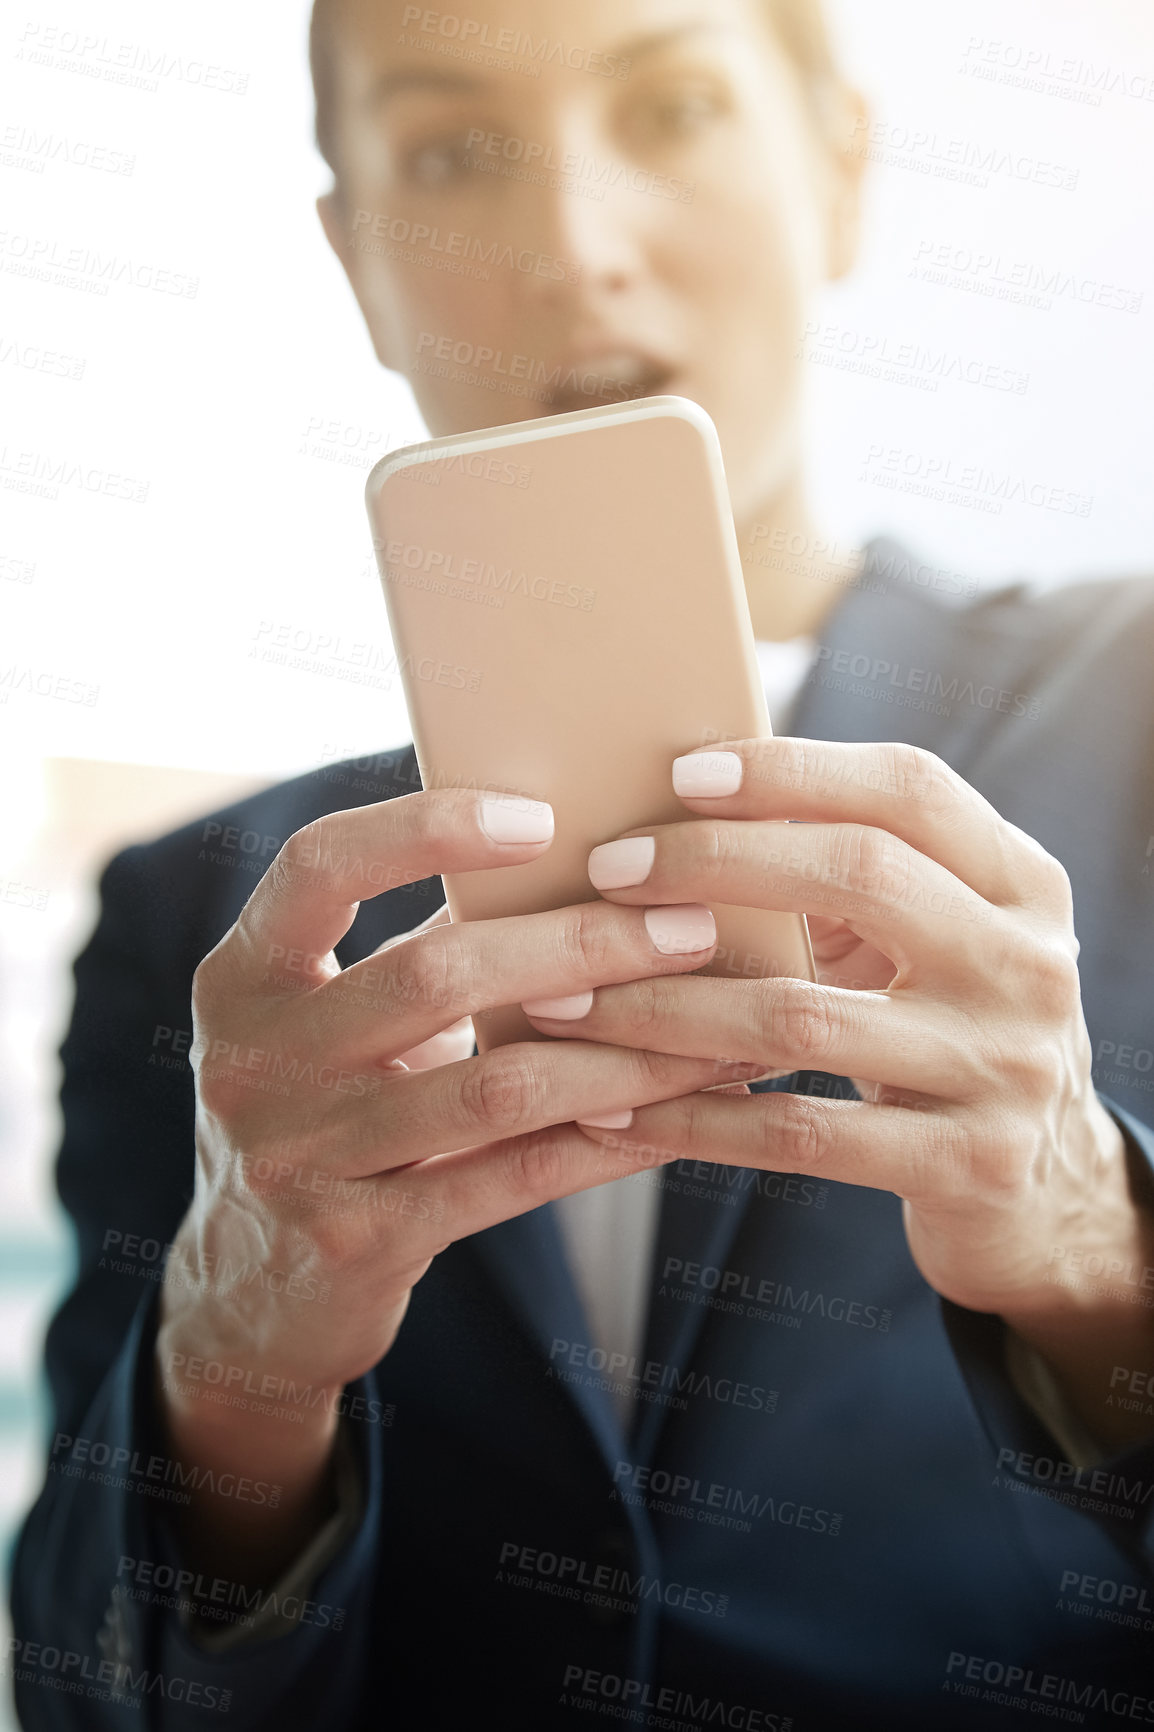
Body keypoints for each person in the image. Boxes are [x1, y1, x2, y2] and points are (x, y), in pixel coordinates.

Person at [11, 0, 1154, 1726]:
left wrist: (1087, 1241)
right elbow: (85, 1685)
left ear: (838, 169)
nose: (572, 246)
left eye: (676, 106)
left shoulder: (1131, 716)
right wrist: (233, 1355)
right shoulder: (208, 916)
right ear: (357, 265)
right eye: (457, 153)